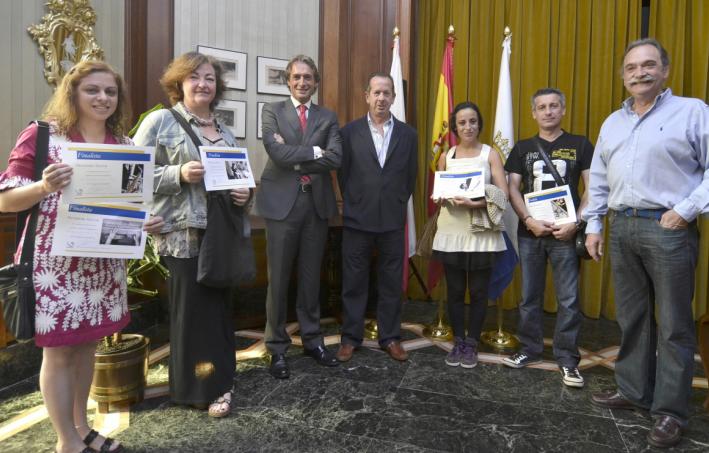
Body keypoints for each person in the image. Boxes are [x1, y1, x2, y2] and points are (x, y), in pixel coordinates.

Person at [0, 60, 163, 453]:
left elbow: (124, 208)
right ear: (72, 93)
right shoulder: (43, 137)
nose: (103, 98)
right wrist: (42, 186)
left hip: (101, 267)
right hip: (53, 267)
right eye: (93, 90)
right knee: (58, 354)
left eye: (110, 91)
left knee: (88, 347)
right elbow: (6, 201)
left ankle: (81, 426)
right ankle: (66, 441)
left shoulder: (123, 145)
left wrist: (145, 222)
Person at [584, 38, 709, 449]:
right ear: (623, 75)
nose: (640, 72)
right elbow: (599, 178)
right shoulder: (611, 122)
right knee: (633, 317)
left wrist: (687, 210)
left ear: (665, 70)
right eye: (632, 67)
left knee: (674, 324)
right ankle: (634, 390)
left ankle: (671, 411)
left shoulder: (692, 112)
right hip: (621, 228)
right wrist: (594, 226)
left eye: (649, 65)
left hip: (668, 228)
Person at [133, 52, 251, 417]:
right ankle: (200, 387)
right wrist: (177, 174)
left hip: (221, 235)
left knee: (217, 311)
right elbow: (130, 175)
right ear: (179, 83)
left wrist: (245, 193)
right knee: (191, 312)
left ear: (218, 87)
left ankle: (220, 379)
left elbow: (238, 180)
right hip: (182, 234)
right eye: (195, 77)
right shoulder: (160, 122)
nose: (203, 84)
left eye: (210, 78)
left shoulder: (226, 131)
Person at [256, 54, 342, 379]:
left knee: (310, 278)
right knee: (278, 280)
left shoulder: (328, 116)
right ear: (288, 81)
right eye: (296, 77)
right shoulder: (272, 111)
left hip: (315, 205)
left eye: (308, 77)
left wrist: (295, 157)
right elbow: (275, 154)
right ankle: (276, 348)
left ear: (315, 83)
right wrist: (313, 153)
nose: (302, 82)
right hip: (281, 206)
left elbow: (336, 157)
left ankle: (312, 341)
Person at [502, 88, 594, 388]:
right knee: (529, 297)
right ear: (534, 113)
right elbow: (512, 187)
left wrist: (577, 223)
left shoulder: (580, 144)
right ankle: (529, 349)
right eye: (542, 107)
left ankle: (567, 359)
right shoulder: (522, 147)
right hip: (531, 233)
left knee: (568, 299)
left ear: (563, 109)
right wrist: (528, 220)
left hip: (566, 233)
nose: (548, 111)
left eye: (554, 106)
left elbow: (592, 187)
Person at [335, 72, 418, 362]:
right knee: (354, 281)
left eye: (387, 93)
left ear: (394, 97)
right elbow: (343, 175)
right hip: (358, 219)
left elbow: (410, 178)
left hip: (393, 220)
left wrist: (394, 201)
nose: (381, 98)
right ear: (367, 96)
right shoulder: (348, 133)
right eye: (376, 92)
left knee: (391, 282)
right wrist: (357, 200)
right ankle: (350, 338)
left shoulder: (409, 134)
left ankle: (391, 337)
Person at [430, 102, 508, 368]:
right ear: (454, 127)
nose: (468, 127)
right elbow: (439, 193)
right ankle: (458, 342)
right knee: (453, 291)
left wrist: (476, 203)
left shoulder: (491, 154)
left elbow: (503, 194)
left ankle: (472, 342)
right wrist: (440, 197)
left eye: (472, 121)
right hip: (451, 231)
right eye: (462, 122)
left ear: (479, 124)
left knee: (477, 291)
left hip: (481, 233)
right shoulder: (446, 156)